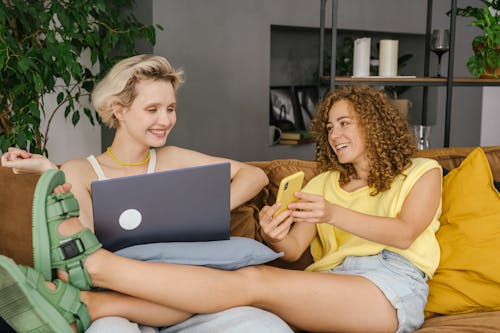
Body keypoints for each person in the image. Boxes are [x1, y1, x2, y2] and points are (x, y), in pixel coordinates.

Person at [0, 85, 442, 333]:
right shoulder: (323, 182)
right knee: (234, 283)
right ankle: (85, 305)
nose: (334, 134)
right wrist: (273, 233)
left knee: (253, 282)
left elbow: (404, 233)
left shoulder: (423, 171)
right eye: (329, 126)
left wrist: (331, 214)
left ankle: (94, 269)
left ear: (376, 123)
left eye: (345, 123)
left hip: (389, 284)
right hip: (331, 284)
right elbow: (293, 251)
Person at [0, 54, 294, 333]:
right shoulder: (82, 172)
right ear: (120, 110)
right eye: (152, 109)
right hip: (122, 304)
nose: (165, 120)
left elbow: (254, 176)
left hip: (195, 298)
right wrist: (52, 171)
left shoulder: (173, 158)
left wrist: (205, 211)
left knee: (265, 326)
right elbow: (84, 250)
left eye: (171, 108)